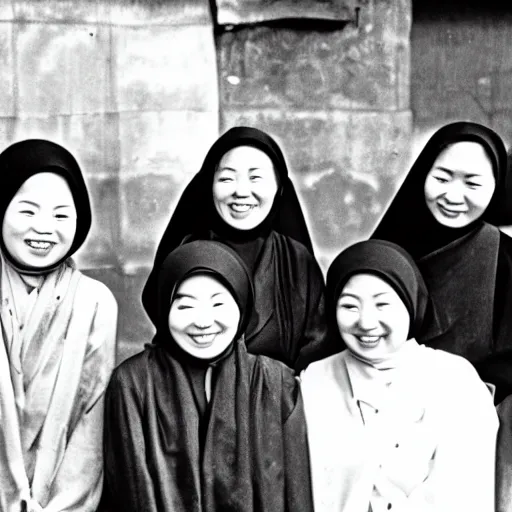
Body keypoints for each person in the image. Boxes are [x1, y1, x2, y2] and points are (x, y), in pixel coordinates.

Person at [103, 240, 312, 512]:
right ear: (163, 309)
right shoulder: (132, 383)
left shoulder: (275, 382)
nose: (203, 322)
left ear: (242, 306)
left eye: (218, 304)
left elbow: (297, 493)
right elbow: (128, 490)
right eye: (186, 307)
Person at [300, 239, 498, 512]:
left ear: (411, 303)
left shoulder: (456, 380)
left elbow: (463, 495)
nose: (366, 322)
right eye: (349, 306)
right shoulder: (314, 379)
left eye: (383, 305)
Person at [141, 126, 330, 371]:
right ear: (209, 186)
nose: (241, 192)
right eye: (227, 178)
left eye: (256, 178)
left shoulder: (296, 260)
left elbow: (317, 352)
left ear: (279, 187)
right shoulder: (185, 254)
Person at [0, 139, 118, 511]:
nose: (44, 228)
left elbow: (90, 425)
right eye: (28, 211)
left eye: (61, 215)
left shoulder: (94, 302)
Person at [372, 121, 512, 403]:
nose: (452, 196)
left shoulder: (505, 257)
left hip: (474, 415)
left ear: (496, 187)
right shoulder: (384, 251)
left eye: (472, 183)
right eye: (442, 178)